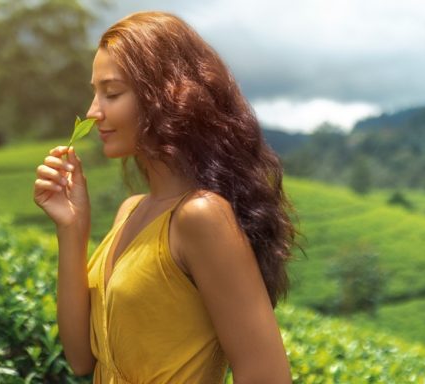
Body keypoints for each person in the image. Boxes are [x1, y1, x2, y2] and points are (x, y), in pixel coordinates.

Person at [33, 11, 296, 384]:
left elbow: (266, 376)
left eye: (112, 93)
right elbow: (81, 359)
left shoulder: (201, 216)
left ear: (166, 96)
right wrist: (72, 227)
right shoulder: (131, 210)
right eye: (95, 93)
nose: (93, 112)